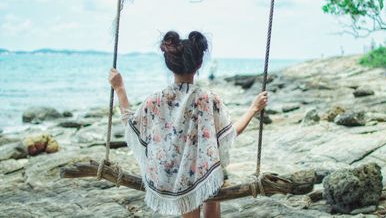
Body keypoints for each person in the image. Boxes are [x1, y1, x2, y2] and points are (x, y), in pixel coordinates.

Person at [108, 31, 268, 218]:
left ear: (169, 64)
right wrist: (253, 109)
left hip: (165, 177)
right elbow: (230, 133)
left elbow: (131, 125)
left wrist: (119, 88)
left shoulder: (156, 100)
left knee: (203, 177)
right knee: (211, 172)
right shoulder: (208, 99)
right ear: (199, 64)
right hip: (198, 173)